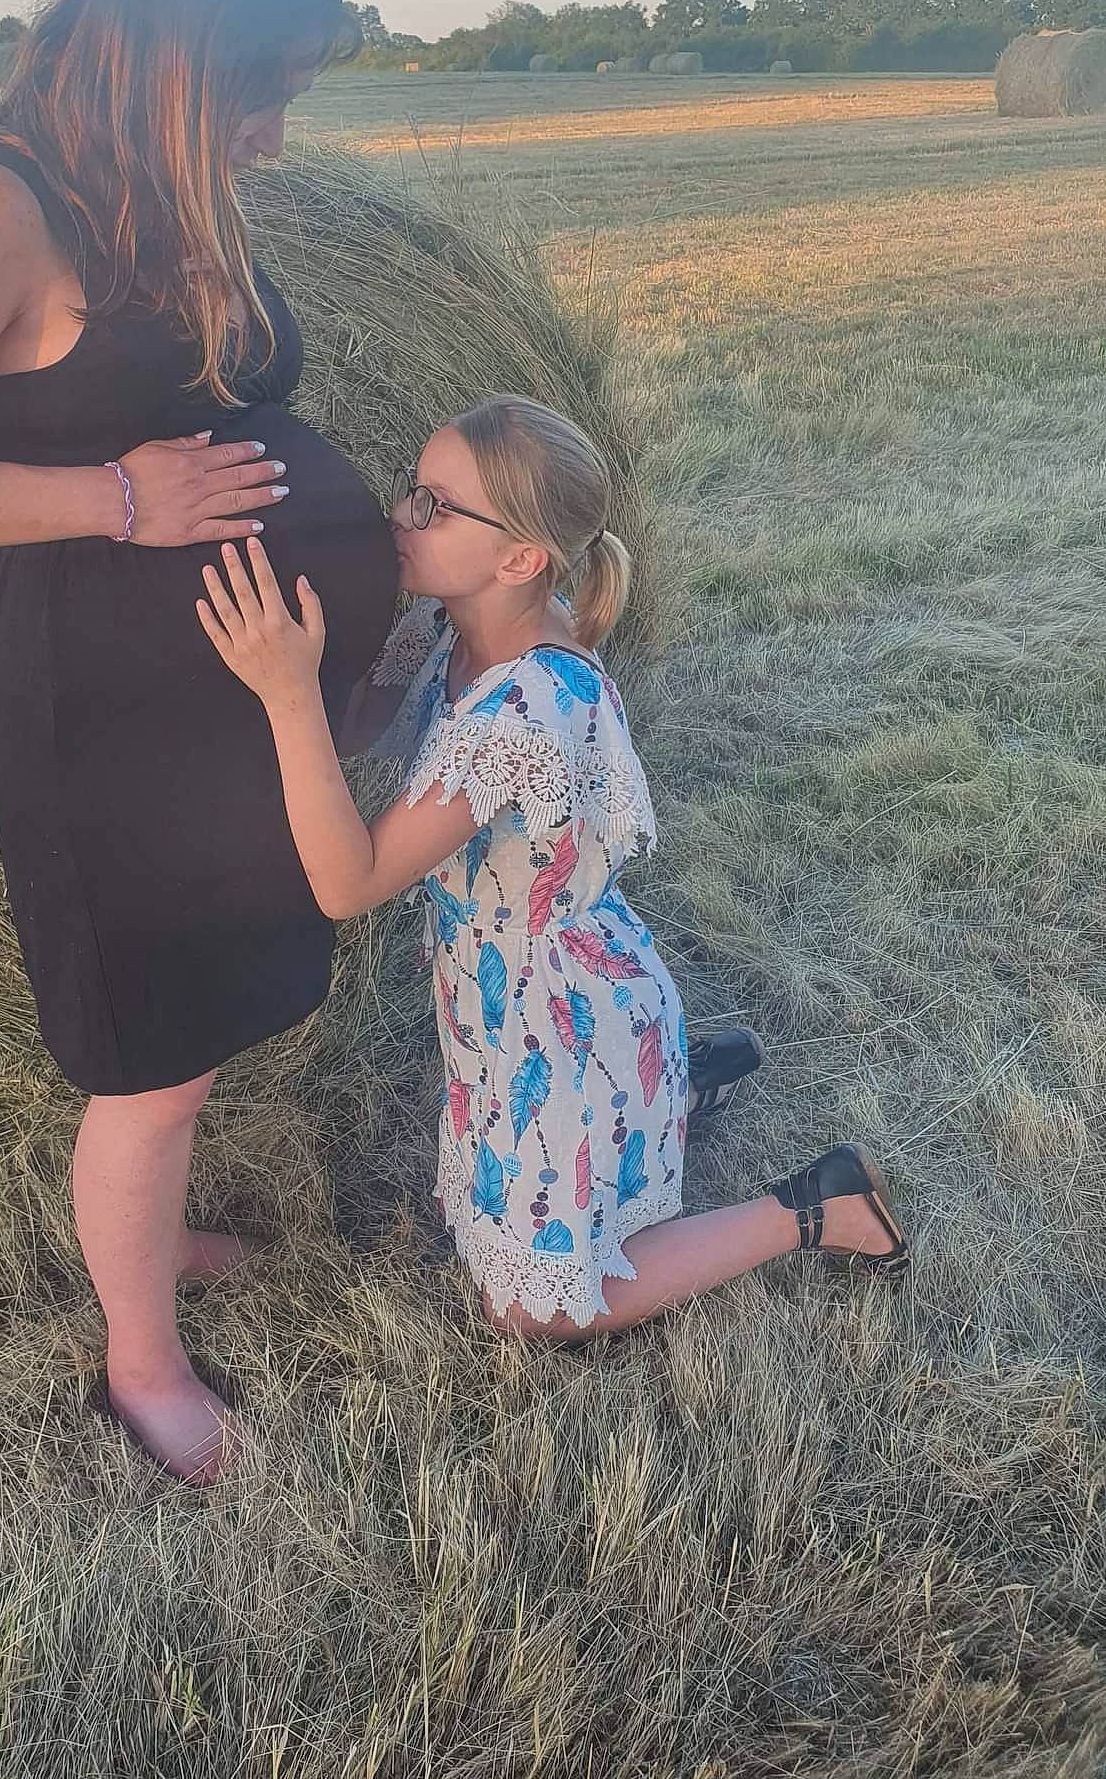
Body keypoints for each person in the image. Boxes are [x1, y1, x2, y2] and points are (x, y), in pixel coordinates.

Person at [0, 0, 399, 1483]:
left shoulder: (172, 192)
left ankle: (157, 1238)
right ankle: (143, 1364)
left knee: (198, 1025)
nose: (275, 130)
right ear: (170, 55)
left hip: (229, 702)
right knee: (144, 1055)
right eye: (259, 91)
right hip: (105, 723)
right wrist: (118, 498)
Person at [196, 396, 909, 1338]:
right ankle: (677, 1087)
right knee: (494, 1226)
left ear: (521, 559)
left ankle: (815, 1207)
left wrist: (284, 692)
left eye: (433, 507)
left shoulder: (526, 710)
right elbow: (361, 731)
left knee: (531, 1315)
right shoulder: (450, 628)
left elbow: (349, 881)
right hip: (504, 1002)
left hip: (560, 1022)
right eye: (410, 491)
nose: (399, 518)